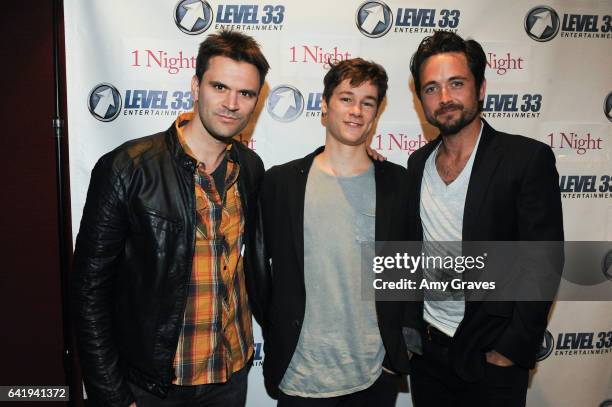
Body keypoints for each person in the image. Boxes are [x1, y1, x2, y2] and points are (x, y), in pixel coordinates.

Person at [72, 30, 270, 407]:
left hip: (229, 376)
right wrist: (112, 395)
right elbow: (88, 290)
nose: (231, 103)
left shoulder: (250, 168)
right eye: (219, 87)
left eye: (245, 94)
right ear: (196, 87)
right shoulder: (129, 168)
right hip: (153, 387)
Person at [405, 31, 564, 407]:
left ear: (480, 89)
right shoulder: (416, 165)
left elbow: (544, 262)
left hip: (490, 356)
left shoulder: (525, 159)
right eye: (431, 88)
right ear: (421, 100)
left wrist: (509, 351)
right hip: (428, 354)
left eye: (456, 84)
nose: (444, 99)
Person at [261, 58, 413, 407]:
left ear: (376, 114)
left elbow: (408, 273)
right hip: (301, 375)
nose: (356, 110)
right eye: (346, 98)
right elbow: (258, 271)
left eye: (368, 102)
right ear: (324, 105)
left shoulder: (398, 184)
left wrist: (396, 357)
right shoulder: (280, 183)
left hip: (374, 376)